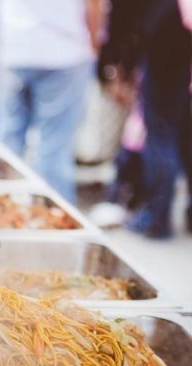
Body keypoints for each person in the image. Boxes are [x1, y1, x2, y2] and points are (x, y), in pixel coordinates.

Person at [0, 0, 103, 202]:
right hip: (64, 52)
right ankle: (52, 217)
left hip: (14, 48)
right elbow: (95, 5)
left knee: (7, 143)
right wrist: (95, 43)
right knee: (53, 151)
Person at [98, 0, 191, 238]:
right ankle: (158, 213)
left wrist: (118, 59)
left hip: (166, 47)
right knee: (170, 132)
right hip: (175, 48)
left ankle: (156, 217)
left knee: (160, 133)